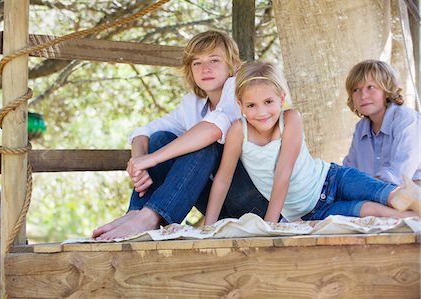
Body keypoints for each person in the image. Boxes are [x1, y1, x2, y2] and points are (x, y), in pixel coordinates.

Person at [92, 30, 269, 240]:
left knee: (204, 143)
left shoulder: (239, 90)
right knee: (161, 138)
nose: (205, 68)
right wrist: (139, 161)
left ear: (232, 65)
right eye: (197, 63)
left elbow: (213, 129)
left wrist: (151, 159)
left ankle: (152, 216)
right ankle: (136, 212)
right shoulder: (192, 104)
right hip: (219, 209)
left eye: (214, 60)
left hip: (255, 204)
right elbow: (143, 132)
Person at [204, 61, 420, 225]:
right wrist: (209, 226)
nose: (261, 112)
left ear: (281, 98)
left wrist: (270, 225)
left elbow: (283, 172)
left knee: (387, 194)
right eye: (251, 105)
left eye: (268, 102)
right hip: (314, 212)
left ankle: (409, 197)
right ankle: (411, 213)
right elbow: (223, 178)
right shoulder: (237, 131)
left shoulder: (290, 119)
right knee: (379, 213)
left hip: (333, 179)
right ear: (240, 104)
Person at [343, 60, 421, 185]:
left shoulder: (406, 120)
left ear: (387, 90)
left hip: (411, 194)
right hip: (378, 195)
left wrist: (359, 187)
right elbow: (349, 171)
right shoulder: (361, 128)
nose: (363, 96)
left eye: (370, 87)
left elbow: (399, 176)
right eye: (356, 90)